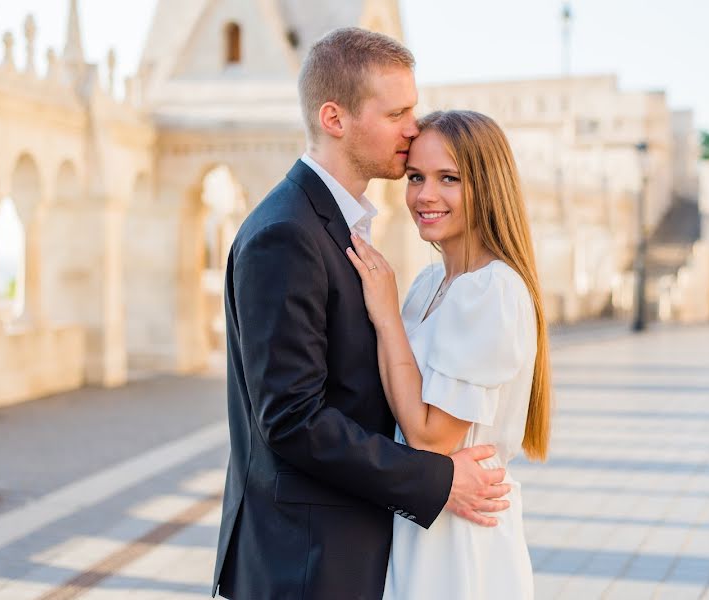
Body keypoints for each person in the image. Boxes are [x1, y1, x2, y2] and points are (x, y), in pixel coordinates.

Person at [212, 30, 511, 600]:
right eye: (396, 112)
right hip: (307, 560)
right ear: (334, 118)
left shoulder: (331, 223)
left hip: (342, 548)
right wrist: (439, 481)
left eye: (413, 109)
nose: (413, 128)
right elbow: (293, 419)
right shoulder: (286, 234)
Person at [347, 109, 552, 600]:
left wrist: (385, 316)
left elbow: (430, 437)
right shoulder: (430, 283)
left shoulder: (492, 290)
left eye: (449, 179)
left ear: (487, 184)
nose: (424, 195)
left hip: (461, 543)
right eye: (416, 176)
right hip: (425, 522)